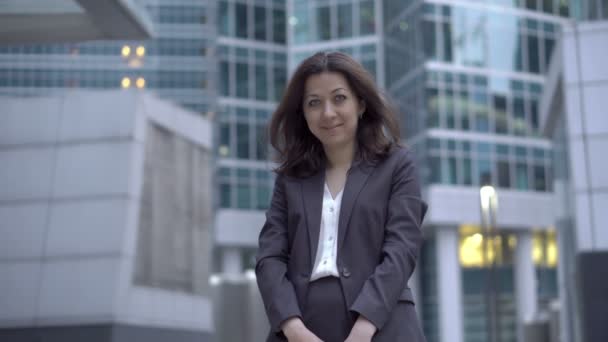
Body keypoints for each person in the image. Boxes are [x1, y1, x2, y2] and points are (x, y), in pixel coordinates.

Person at [255, 51, 428, 342]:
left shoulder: (398, 165)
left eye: (339, 98)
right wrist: (292, 327)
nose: (328, 113)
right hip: (301, 331)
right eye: (314, 103)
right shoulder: (290, 179)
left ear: (360, 103)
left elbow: (402, 249)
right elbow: (269, 257)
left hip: (383, 328)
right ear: (304, 113)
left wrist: (365, 324)